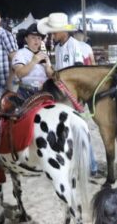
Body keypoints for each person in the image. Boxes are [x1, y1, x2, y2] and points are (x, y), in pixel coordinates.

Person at [38, 12, 99, 173]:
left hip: (73, 96)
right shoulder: (59, 47)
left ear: (64, 31)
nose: (53, 35)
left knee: (79, 129)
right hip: (63, 94)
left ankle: (91, 165)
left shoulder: (74, 46)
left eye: (55, 32)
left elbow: (79, 72)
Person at [11, 23, 54, 100]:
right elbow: (19, 74)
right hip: (26, 92)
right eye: (33, 37)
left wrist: (48, 68)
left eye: (39, 38)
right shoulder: (20, 53)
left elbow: (51, 76)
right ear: (26, 39)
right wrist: (33, 61)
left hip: (44, 91)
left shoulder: (44, 55)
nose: (36, 40)